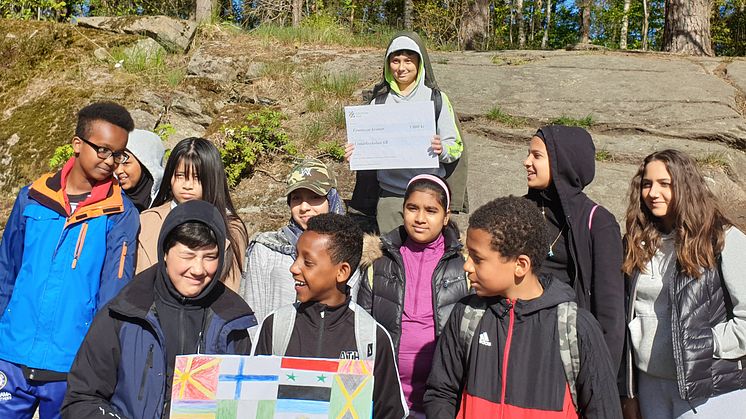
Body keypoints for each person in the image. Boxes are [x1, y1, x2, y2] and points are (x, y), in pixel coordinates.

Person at [423, 196, 622, 418]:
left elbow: (604, 410)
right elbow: (440, 392)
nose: (467, 266)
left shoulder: (576, 328)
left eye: (477, 259)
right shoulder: (466, 315)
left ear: (521, 265)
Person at [0, 102, 139, 418]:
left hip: (71, 363)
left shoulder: (120, 213)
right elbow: (6, 270)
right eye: (102, 150)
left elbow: (113, 293)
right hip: (11, 354)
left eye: (118, 154)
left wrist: (101, 362)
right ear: (77, 144)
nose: (110, 161)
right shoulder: (32, 198)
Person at [61, 200, 256, 418]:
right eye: (188, 255)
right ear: (165, 252)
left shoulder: (232, 322)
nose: (199, 269)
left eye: (209, 257)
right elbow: (82, 398)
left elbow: (244, 406)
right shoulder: (123, 313)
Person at [620, 149, 746, 419]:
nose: (653, 193)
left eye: (665, 184)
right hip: (650, 385)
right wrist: (629, 391)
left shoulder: (722, 239)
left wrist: (704, 343)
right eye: (647, 184)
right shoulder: (637, 241)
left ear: (685, 186)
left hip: (710, 389)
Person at [252, 213, 409, 419]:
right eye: (296, 256)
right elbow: (253, 403)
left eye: (307, 262)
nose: (293, 268)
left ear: (342, 272)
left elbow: (389, 412)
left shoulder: (371, 338)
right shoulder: (275, 327)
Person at [357, 174, 469, 417]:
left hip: (442, 401)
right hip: (385, 397)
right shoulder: (378, 263)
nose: (420, 218)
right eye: (412, 208)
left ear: (446, 216)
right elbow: (361, 330)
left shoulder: (464, 268)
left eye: (431, 210)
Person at [523, 125, 625, 370]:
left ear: (562, 162)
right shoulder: (519, 211)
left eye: (537, 156)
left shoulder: (598, 222)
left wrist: (603, 381)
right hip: (520, 343)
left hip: (568, 353)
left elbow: (610, 314)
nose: (526, 162)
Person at [346, 31, 466, 234]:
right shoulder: (378, 103)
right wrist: (355, 153)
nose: (401, 68)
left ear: (419, 64)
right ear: (387, 64)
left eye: (408, 61)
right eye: (395, 61)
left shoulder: (436, 99)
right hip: (390, 197)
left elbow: (456, 146)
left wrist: (442, 148)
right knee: (392, 259)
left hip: (427, 195)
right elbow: (369, 146)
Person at [240, 158, 361, 328]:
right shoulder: (265, 248)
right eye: (296, 198)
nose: (304, 207)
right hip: (276, 347)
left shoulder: (349, 249)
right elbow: (252, 311)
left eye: (315, 197)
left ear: (331, 199)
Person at [136, 137, 248, 293]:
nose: (187, 186)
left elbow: (230, 290)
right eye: (180, 176)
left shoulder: (231, 228)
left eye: (197, 178)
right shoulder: (148, 220)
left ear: (212, 179)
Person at [115, 128, 166, 212]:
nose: (118, 171)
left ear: (145, 164)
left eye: (126, 163)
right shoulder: (110, 199)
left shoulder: (166, 203)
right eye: (116, 163)